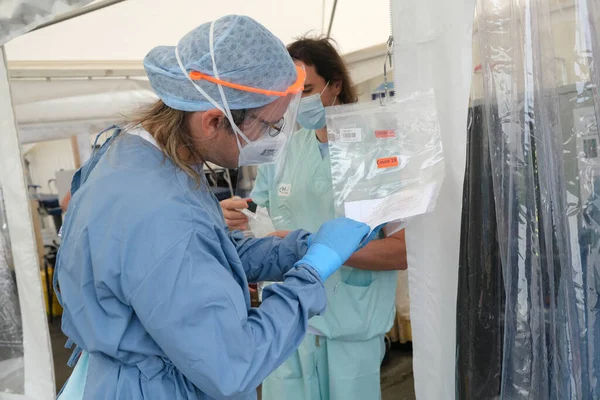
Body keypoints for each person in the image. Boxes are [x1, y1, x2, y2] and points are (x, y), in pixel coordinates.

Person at [54, 16, 375, 400]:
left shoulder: (139, 154)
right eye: (269, 127)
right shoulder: (163, 212)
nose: (273, 140)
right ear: (213, 121)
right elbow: (233, 363)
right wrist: (310, 273)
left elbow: (207, 255)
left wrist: (297, 248)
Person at [221, 37, 407, 400]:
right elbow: (257, 213)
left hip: (350, 324)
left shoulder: (378, 151)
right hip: (288, 324)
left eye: (306, 90)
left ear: (335, 84)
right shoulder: (284, 151)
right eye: (289, 92)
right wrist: (235, 215)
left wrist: (327, 252)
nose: (297, 102)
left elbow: (402, 251)